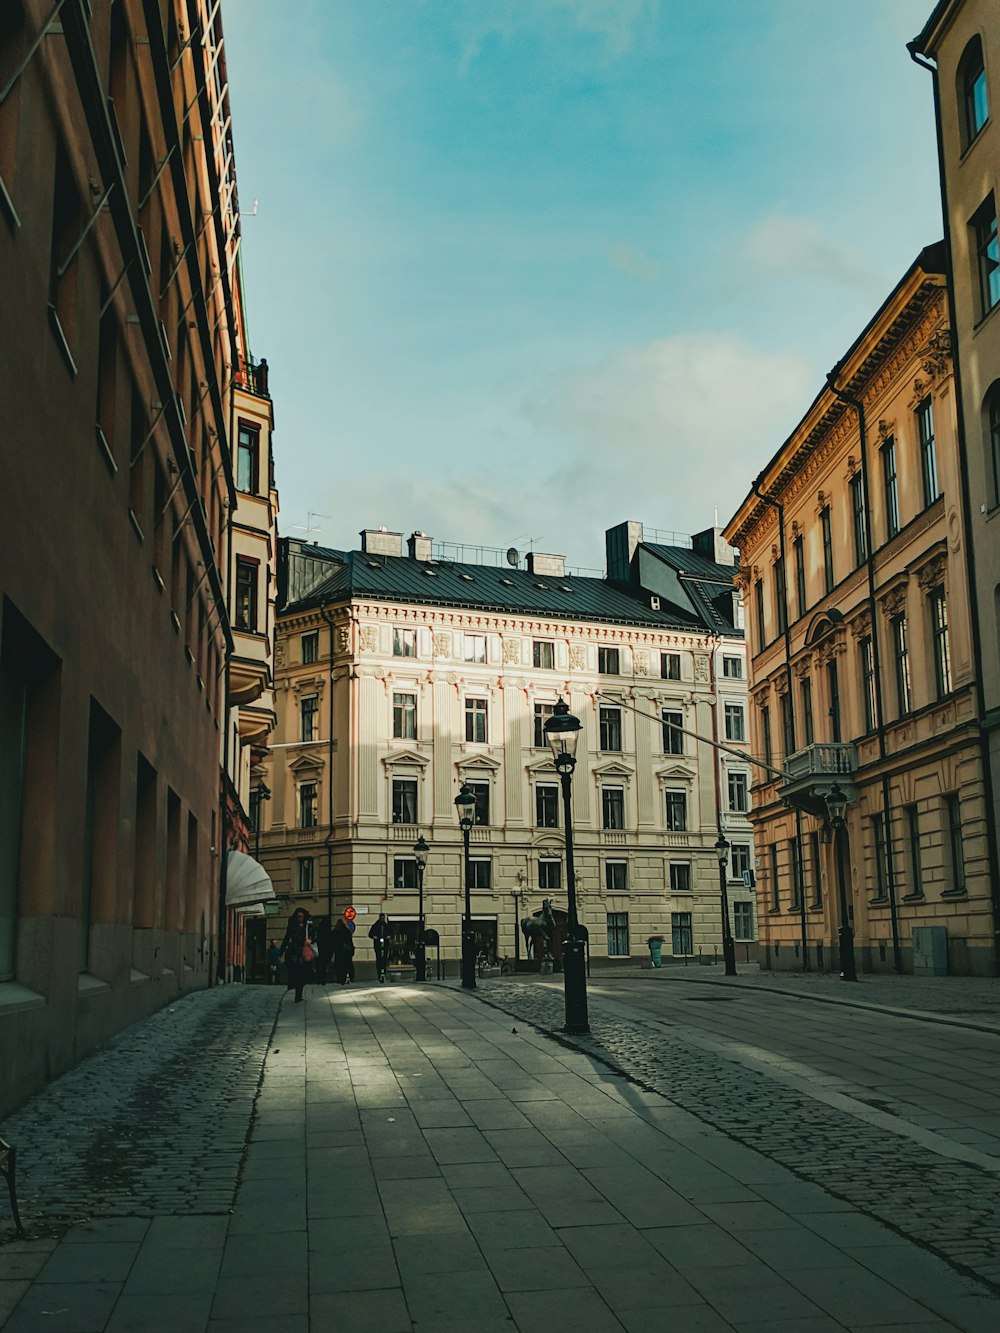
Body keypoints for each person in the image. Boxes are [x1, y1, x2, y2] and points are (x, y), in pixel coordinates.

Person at [280, 907, 315, 1003]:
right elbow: (287, 937)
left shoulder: (308, 926)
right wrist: (281, 951)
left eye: (301, 916)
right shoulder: (292, 926)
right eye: (298, 916)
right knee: (297, 974)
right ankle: (297, 994)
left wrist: (310, 940)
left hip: (305, 953)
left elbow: (315, 936)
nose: (300, 918)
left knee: (304, 975)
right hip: (295, 953)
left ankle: (299, 991)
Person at [331, 917, 355, 985]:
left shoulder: (335, 932)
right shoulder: (347, 932)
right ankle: (349, 977)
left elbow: (333, 943)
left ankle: (340, 978)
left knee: (339, 966)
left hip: (339, 952)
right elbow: (350, 942)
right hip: (347, 952)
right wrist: (352, 950)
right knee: (348, 965)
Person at [369, 912, 389, 983]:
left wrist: (388, 937)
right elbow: (370, 934)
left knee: (384, 959)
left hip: (385, 944)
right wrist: (374, 937)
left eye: (383, 918)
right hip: (377, 944)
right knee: (379, 959)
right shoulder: (376, 925)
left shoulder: (386, 926)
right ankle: (379, 974)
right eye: (381, 918)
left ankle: (384, 974)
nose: (382, 919)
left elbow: (391, 933)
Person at [316, 916, 334, 985]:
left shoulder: (319, 932)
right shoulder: (330, 932)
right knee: (324, 966)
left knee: (319, 966)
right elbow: (332, 943)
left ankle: (319, 979)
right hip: (327, 952)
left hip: (319, 952)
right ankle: (323, 980)